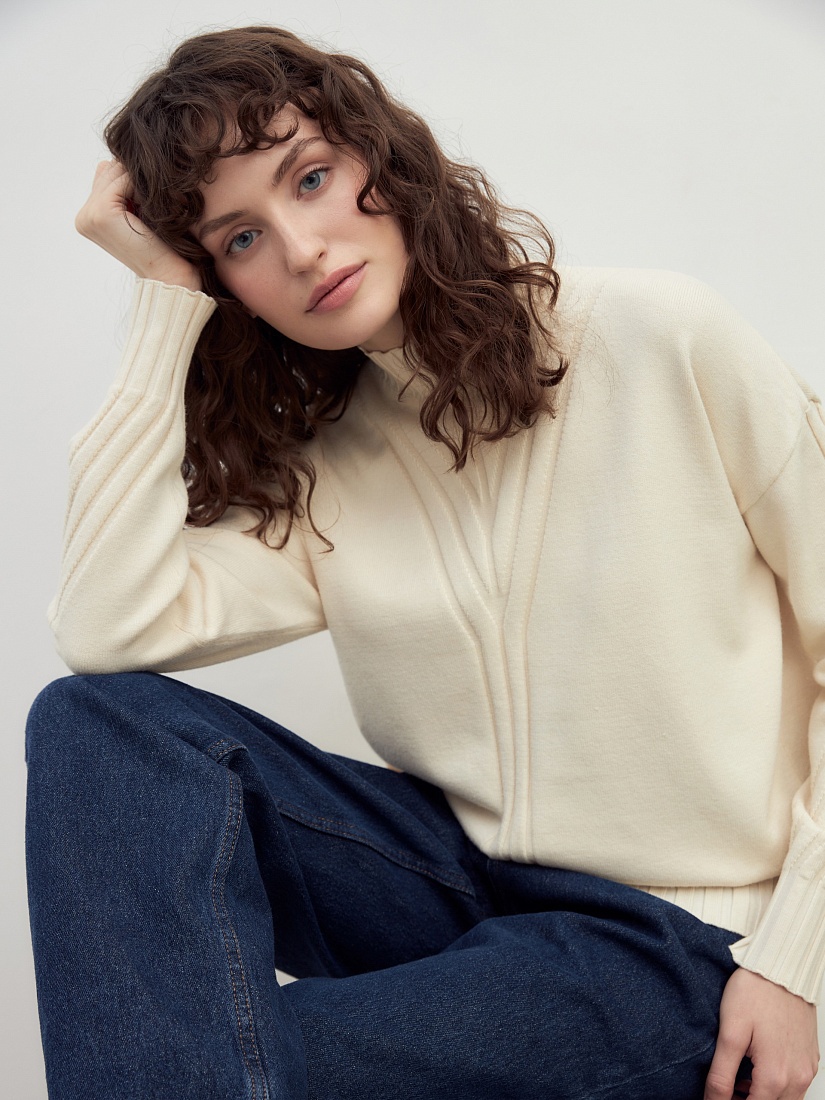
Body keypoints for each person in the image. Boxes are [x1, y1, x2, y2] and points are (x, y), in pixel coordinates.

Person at [23, 23, 823, 1100]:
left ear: (383, 157)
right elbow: (103, 628)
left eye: (310, 177)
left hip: (675, 938)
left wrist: (796, 958)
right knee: (95, 725)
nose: (301, 249)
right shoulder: (328, 466)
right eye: (241, 239)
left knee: (224, 1061)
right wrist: (164, 302)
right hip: (461, 885)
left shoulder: (662, 339)